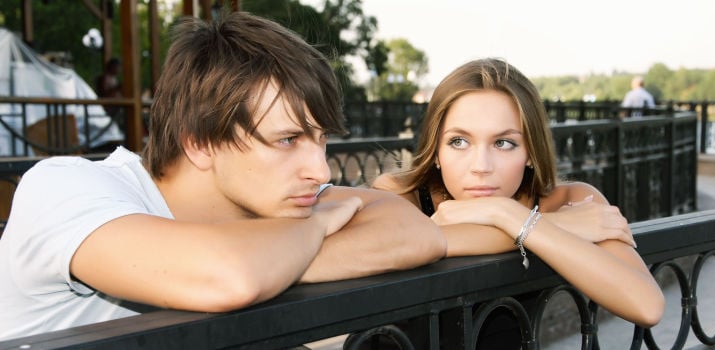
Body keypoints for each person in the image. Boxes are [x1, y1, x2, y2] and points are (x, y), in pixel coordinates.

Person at [0, 12, 446, 340]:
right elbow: (230, 278)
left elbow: (414, 233)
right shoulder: (64, 189)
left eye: (321, 138)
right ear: (200, 142)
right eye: (288, 139)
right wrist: (316, 227)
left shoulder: (268, 199)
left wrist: (279, 260)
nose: (320, 170)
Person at [372, 59, 665, 333]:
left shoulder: (569, 201)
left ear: (530, 152)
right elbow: (398, 246)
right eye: (459, 141)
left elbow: (646, 305)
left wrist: (507, 214)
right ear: (436, 150)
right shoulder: (399, 195)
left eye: (503, 143)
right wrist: (557, 226)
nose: (481, 167)